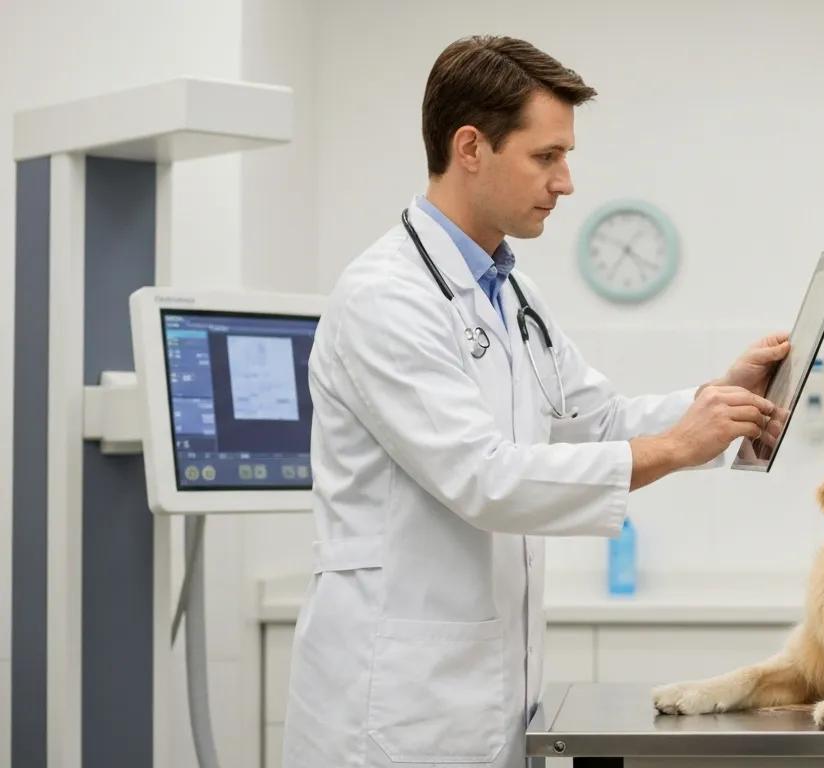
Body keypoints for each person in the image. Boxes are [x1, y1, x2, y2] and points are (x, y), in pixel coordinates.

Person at [282, 35, 789, 768]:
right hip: (396, 709)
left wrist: (720, 400)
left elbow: (600, 422)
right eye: (547, 156)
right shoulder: (385, 298)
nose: (566, 182)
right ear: (471, 148)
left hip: (487, 695)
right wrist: (680, 446)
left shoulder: (509, 290)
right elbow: (482, 479)